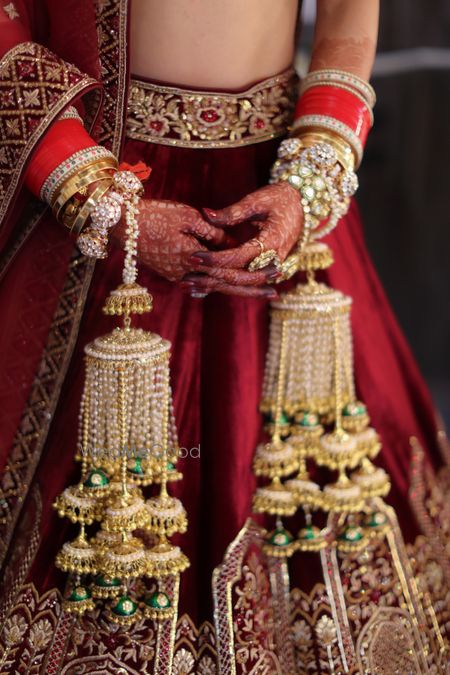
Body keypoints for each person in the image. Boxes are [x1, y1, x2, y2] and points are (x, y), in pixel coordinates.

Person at [0, 1, 447, 672]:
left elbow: (349, 25)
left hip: (277, 202)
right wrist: (94, 193)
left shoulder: (293, 197)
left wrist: (309, 185)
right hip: (106, 198)